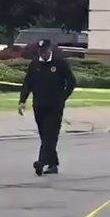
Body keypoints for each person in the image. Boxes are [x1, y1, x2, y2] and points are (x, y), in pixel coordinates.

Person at [18, 39, 76, 176]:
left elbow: (71, 81)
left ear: (50, 50)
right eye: (40, 51)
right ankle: (53, 164)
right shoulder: (35, 64)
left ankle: (41, 162)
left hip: (54, 106)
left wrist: (63, 97)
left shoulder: (59, 64)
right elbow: (28, 83)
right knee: (44, 136)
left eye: (45, 51)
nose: (43, 54)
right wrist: (22, 101)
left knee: (50, 135)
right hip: (39, 105)